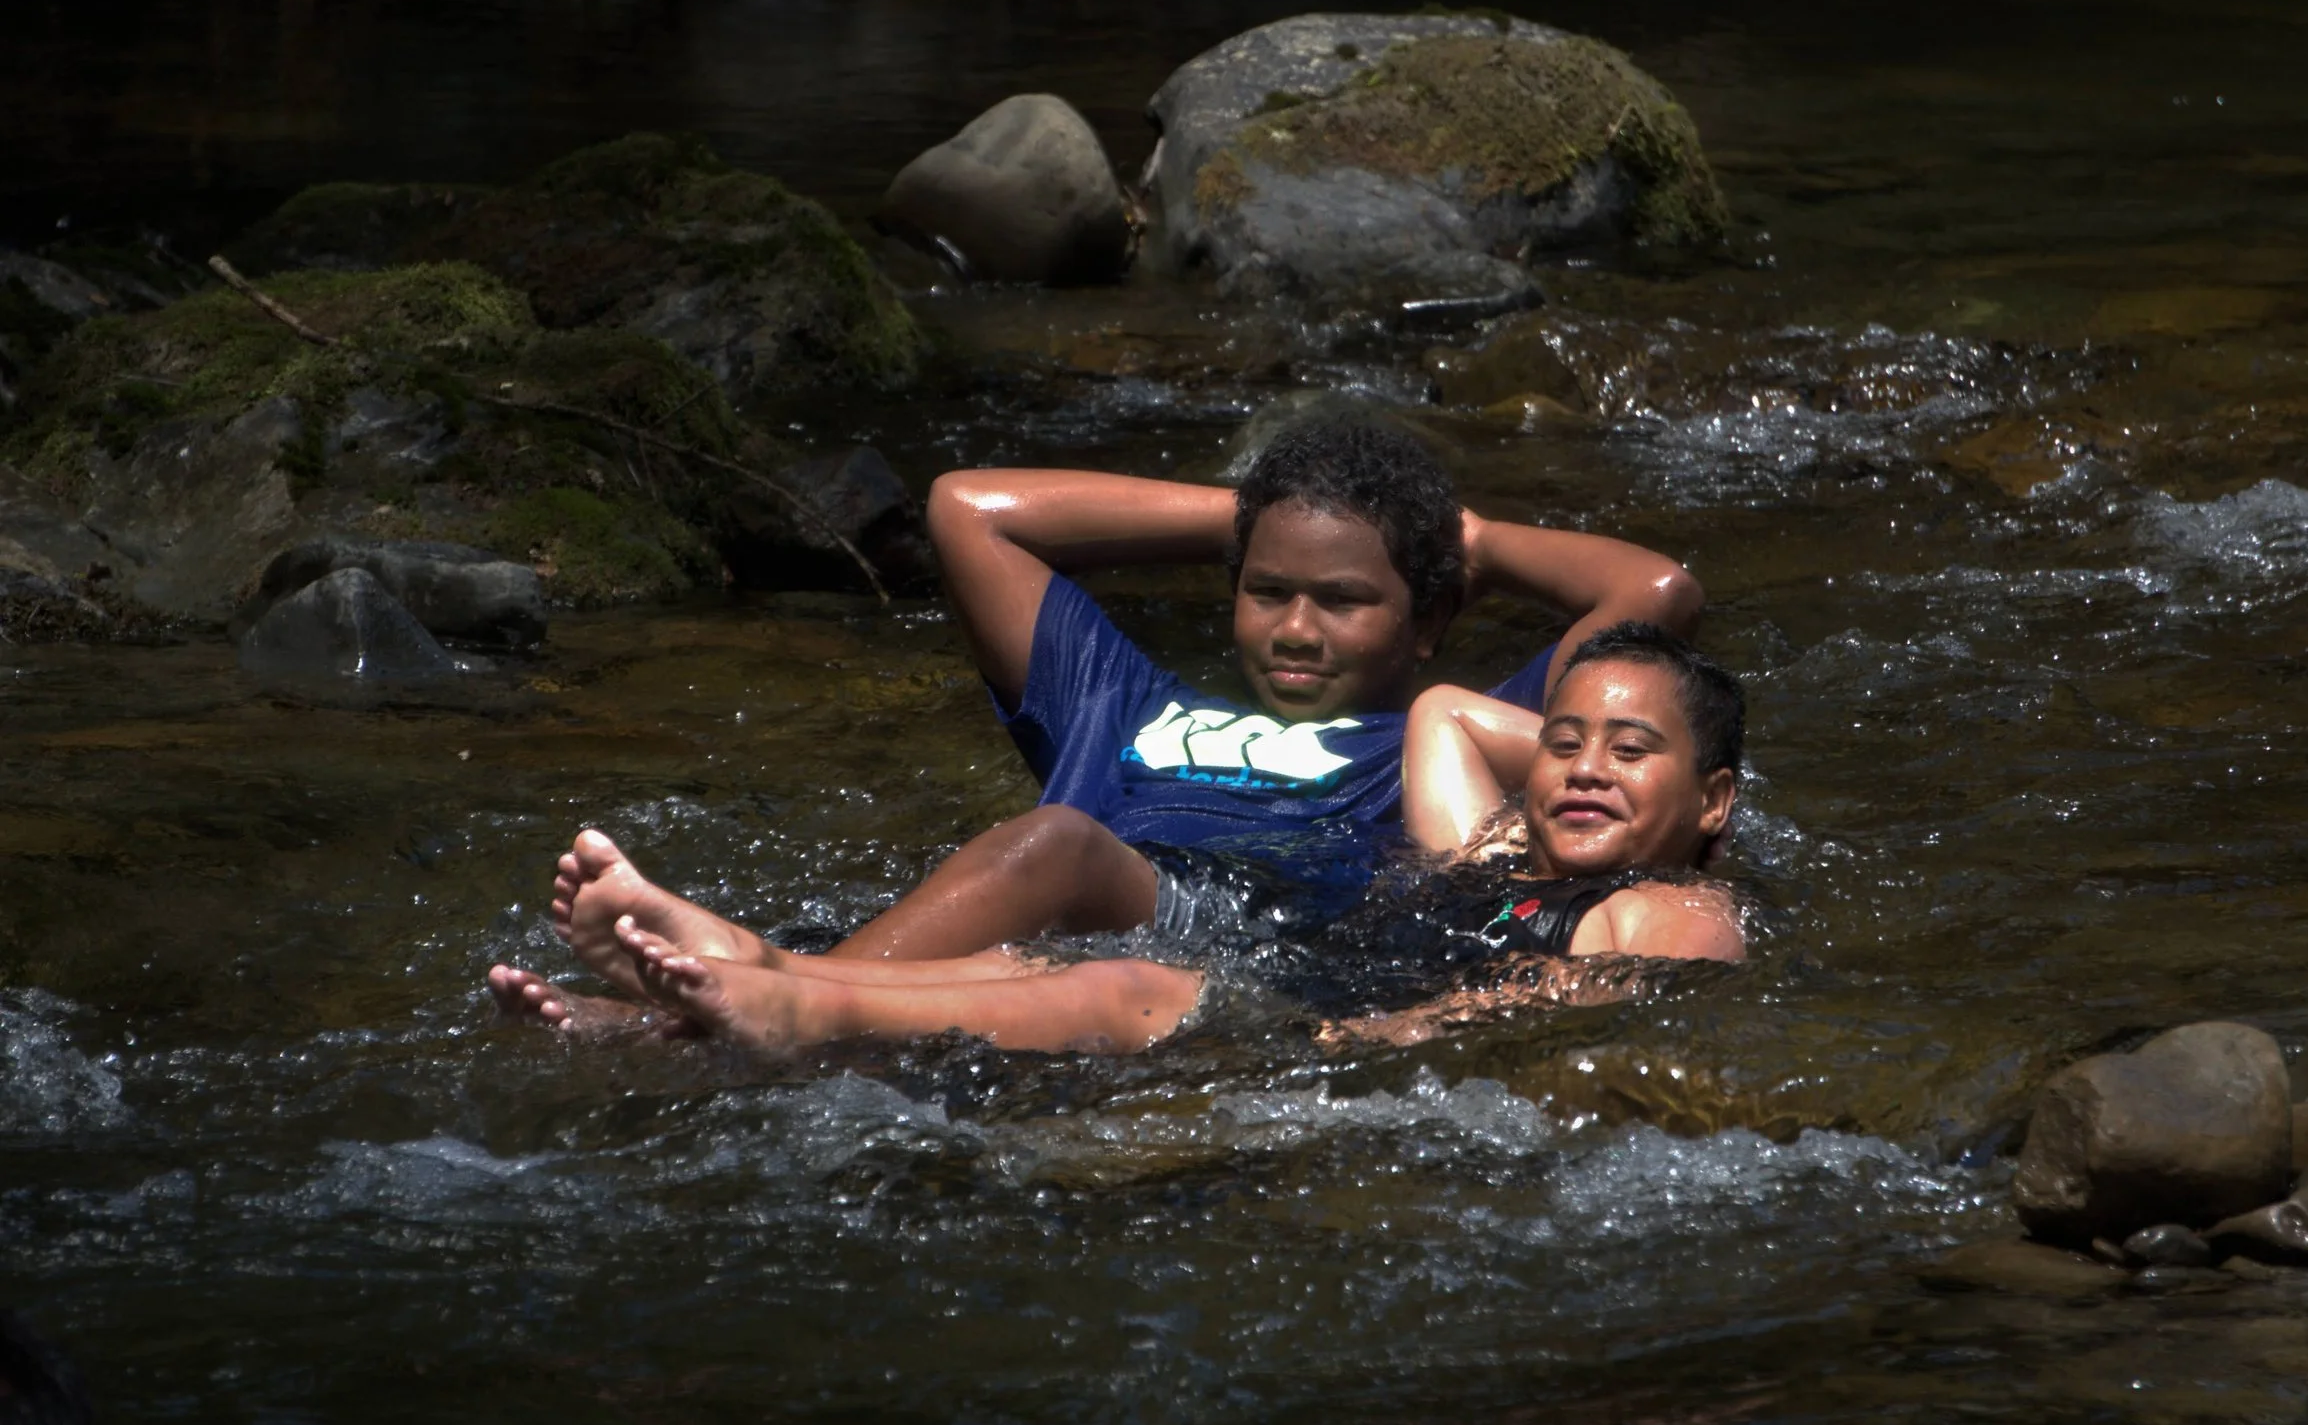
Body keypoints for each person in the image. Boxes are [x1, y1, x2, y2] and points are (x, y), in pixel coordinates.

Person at [498, 420, 1703, 1024]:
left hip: (1249, 931)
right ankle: (722, 990)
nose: (1293, 626)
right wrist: (1279, 511)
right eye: (1266, 587)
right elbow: (968, 509)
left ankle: (768, 981)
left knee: (1056, 841)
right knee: (1004, 950)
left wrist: (1458, 535)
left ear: (1429, 619)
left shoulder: (1455, 741)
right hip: (1073, 930)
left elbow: (1652, 594)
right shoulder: (1121, 697)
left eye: (1343, 599)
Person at [522, 622, 1746, 1054]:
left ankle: (781, 1006)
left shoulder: (1665, 905)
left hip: (1341, 1042)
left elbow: (1582, 1010)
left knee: (1115, 985)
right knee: (1023, 969)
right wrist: (1603, 752)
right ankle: (729, 976)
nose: (1582, 766)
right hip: (1295, 993)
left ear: (1714, 800)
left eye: (1629, 753)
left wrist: (1383, 1035)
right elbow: (1440, 710)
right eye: (1566, 740)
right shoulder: (1493, 843)